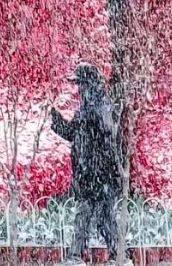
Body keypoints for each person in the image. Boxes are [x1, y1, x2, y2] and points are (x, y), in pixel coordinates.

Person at [51, 65, 120, 263]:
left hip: (100, 175)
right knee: (86, 217)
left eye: (80, 83)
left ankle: (118, 255)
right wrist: (54, 116)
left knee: (102, 218)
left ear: (88, 83)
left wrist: (97, 168)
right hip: (87, 175)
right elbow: (71, 132)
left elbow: (107, 133)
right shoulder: (85, 108)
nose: (78, 88)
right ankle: (77, 255)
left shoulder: (100, 105)